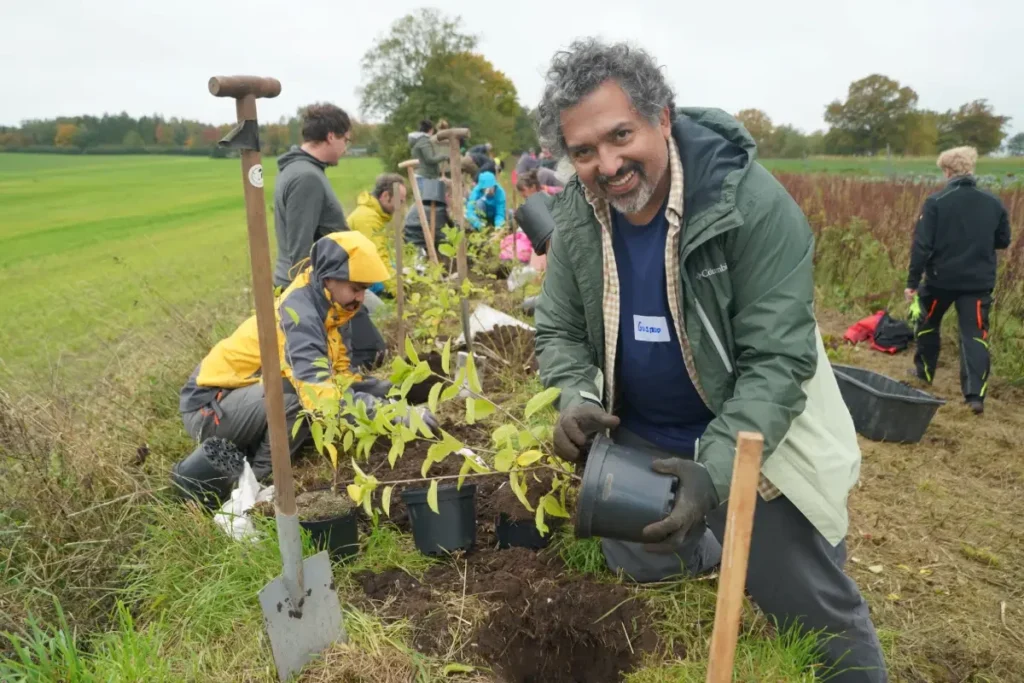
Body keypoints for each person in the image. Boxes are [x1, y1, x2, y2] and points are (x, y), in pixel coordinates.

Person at [532, 39, 886, 682]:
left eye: (621, 136)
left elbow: (777, 364)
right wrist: (572, 393)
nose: (607, 165)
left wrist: (716, 472)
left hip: (752, 437)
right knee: (636, 554)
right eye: (584, 151)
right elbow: (557, 327)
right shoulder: (578, 214)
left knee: (816, 618)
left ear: (661, 118)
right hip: (644, 432)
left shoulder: (748, 206)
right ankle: (705, 545)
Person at [178, 232, 434, 482]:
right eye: (355, 288)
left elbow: (341, 378)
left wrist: (393, 394)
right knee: (297, 400)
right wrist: (390, 413)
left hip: (248, 398)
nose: (360, 298)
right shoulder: (299, 314)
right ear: (328, 278)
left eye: (364, 289)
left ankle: (259, 452)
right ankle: (262, 482)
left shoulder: (333, 308)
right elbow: (320, 395)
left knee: (312, 402)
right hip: (209, 407)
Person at [272, 103, 387, 373]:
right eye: (346, 140)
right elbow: (300, 251)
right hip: (319, 291)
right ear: (331, 136)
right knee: (367, 352)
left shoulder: (303, 171)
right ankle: (344, 404)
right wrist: (311, 306)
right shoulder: (306, 178)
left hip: (331, 286)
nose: (346, 148)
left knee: (361, 352)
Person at [905, 146, 1011, 415]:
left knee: (928, 324)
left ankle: (924, 373)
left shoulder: (936, 202)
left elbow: (922, 246)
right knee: (975, 336)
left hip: (940, 281)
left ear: (948, 171)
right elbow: (1003, 240)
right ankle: (975, 397)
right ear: (971, 170)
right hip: (977, 283)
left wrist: (912, 282)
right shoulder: (994, 203)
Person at [347, 172, 407, 296]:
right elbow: (378, 258)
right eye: (400, 201)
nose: (400, 207)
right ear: (385, 196)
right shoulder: (368, 219)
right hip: (351, 282)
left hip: (360, 273)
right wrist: (399, 291)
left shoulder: (373, 214)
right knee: (381, 310)